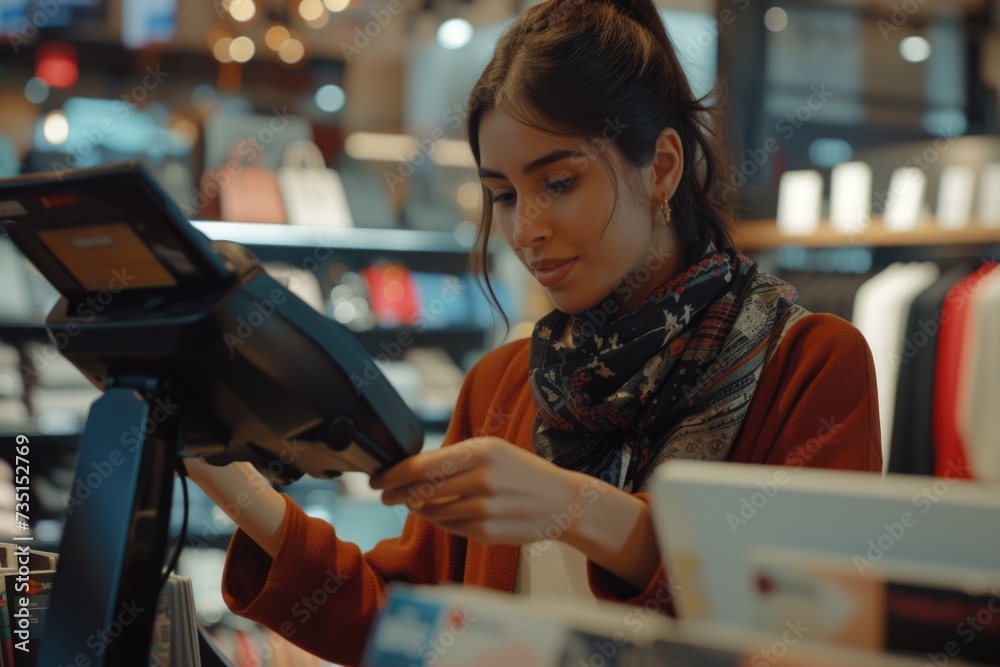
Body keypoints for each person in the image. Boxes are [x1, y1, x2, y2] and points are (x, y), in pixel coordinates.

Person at [185, 0, 881, 663]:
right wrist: (231, 481)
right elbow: (409, 626)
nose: (525, 231)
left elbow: (815, 634)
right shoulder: (506, 383)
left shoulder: (807, 363)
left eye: (560, 183)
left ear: (662, 167)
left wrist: (575, 507)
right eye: (505, 195)